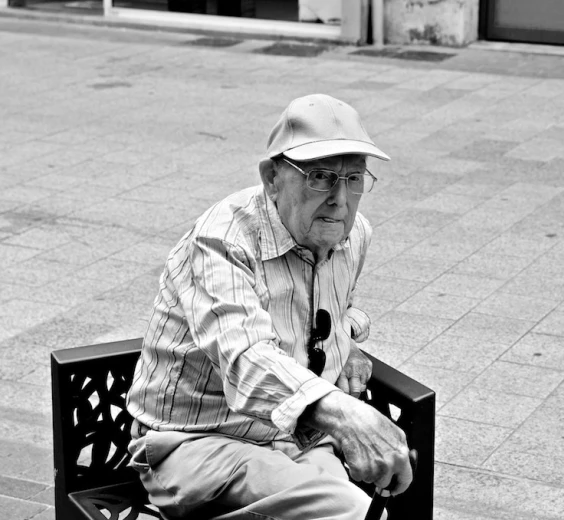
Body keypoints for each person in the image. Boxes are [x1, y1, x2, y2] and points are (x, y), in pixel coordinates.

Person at [125, 93, 413, 520]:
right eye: (320, 176)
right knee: (344, 508)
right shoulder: (222, 239)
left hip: (296, 439)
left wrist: (346, 341)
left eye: (354, 178)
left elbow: (335, 305)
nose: (340, 198)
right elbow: (245, 357)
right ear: (272, 178)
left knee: (361, 507)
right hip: (197, 442)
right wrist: (348, 415)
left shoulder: (354, 235)